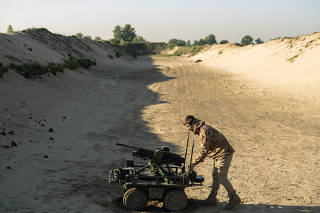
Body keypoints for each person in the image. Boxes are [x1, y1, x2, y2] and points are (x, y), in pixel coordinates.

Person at [183, 115, 241, 210]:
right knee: (215, 176)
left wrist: (193, 163)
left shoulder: (204, 131)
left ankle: (234, 197)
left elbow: (203, 151)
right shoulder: (202, 129)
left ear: (192, 124)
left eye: (188, 126)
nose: (188, 129)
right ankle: (212, 199)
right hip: (219, 154)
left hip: (224, 154)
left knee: (221, 177)